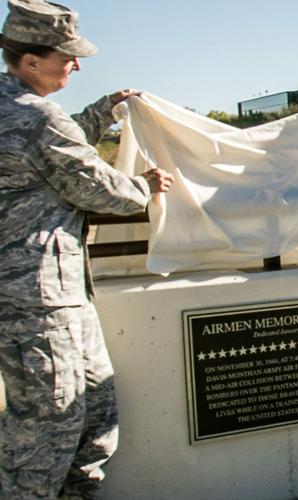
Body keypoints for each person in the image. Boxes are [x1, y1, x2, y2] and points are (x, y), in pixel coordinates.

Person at [0, 1, 174, 497]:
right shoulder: (34, 116)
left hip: (51, 295)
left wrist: (102, 111)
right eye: (67, 57)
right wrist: (145, 186)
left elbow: (52, 147)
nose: (75, 65)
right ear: (31, 61)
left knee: (93, 407)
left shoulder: (14, 106)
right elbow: (98, 189)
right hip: (36, 300)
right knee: (47, 426)